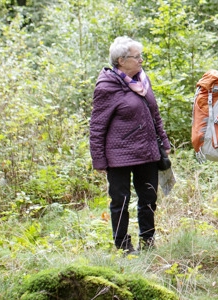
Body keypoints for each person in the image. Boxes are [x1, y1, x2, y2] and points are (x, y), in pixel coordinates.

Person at [90, 36, 170, 254]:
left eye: (140, 56)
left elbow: (155, 114)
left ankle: (148, 239)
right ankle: (123, 245)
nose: (141, 61)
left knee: (149, 197)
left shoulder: (143, 81)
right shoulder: (107, 86)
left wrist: (163, 140)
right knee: (120, 201)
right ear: (121, 60)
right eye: (137, 57)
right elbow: (97, 126)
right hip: (119, 155)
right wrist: (98, 159)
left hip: (147, 151)